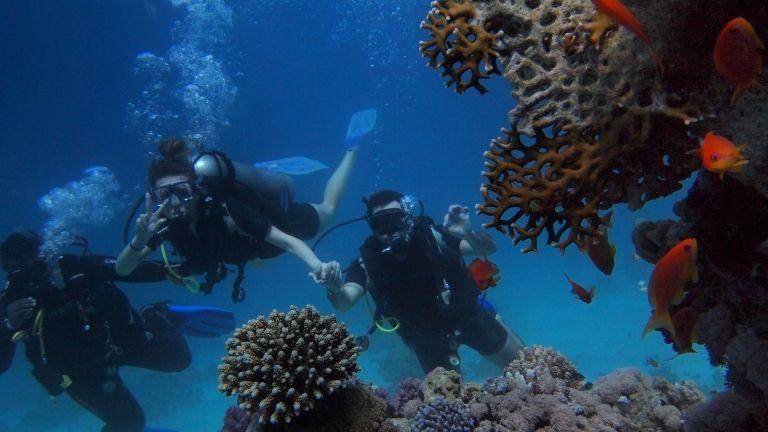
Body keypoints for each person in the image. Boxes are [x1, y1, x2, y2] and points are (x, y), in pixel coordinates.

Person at [0, 230, 232, 432]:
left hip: (121, 342)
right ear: (9, 271)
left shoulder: (75, 268)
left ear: (45, 253)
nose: (29, 268)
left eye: (33, 257)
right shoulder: (9, 303)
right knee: (129, 423)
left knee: (178, 360)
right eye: (17, 265)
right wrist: (8, 325)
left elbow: (126, 269)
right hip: (81, 374)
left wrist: (178, 269)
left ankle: (156, 314)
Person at [115, 138, 354, 300]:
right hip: (252, 250)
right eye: (165, 195)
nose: (175, 203)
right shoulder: (159, 226)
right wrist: (139, 240)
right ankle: (267, 174)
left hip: (281, 222)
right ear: (153, 198)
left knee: (329, 210)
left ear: (196, 191)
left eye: (183, 192)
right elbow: (122, 269)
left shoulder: (227, 210)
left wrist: (317, 266)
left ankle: (351, 149)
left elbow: (289, 242)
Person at [323, 190, 525, 374]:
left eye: (396, 220)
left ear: (409, 218)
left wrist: (468, 234)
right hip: (426, 340)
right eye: (380, 224)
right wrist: (335, 288)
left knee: (527, 369)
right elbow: (345, 301)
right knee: (447, 407)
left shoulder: (433, 237)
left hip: (469, 317)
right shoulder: (368, 261)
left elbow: (487, 249)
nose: (390, 230)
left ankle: (491, 313)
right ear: (371, 226)